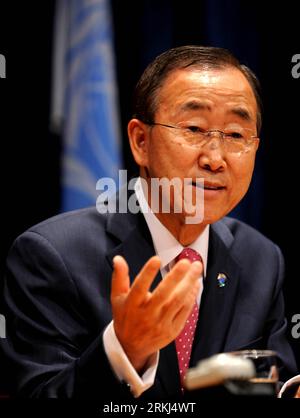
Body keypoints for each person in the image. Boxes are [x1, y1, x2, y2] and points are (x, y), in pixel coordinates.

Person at [0, 45, 298, 400]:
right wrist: (124, 349)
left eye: (235, 135)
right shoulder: (51, 256)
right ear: (141, 141)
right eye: (194, 127)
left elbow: (277, 384)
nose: (215, 159)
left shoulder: (260, 259)